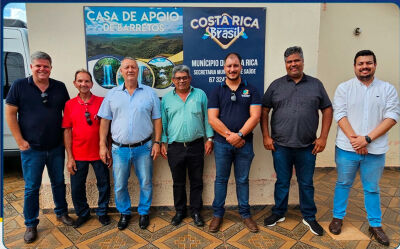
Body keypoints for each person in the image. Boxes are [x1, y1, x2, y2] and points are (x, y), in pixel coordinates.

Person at [329, 50, 399, 246]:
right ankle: (337, 218)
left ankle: (375, 224)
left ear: (375, 65)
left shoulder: (387, 89)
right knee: (343, 184)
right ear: (354, 66)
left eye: (368, 63)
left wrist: (366, 139)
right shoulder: (344, 88)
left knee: (372, 188)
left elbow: (392, 116)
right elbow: (340, 115)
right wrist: (356, 140)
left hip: (375, 150)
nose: (364, 66)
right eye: (360, 63)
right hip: (346, 149)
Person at [261, 46, 333, 236]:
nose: (293, 64)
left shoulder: (316, 84)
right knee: (282, 182)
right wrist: (266, 136)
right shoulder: (276, 85)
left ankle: (309, 216)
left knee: (306, 183)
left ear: (302, 61)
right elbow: (264, 110)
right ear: (285, 64)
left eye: (296, 60)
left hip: (307, 146)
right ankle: (279, 213)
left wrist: (323, 137)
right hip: (280, 146)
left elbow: (327, 109)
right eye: (289, 62)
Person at [5, 51, 73, 244]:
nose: (42, 69)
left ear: (51, 68)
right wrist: (19, 141)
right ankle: (30, 223)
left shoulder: (59, 87)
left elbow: (67, 115)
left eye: (46, 66)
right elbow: (10, 114)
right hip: (31, 149)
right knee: (32, 187)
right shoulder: (19, 86)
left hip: (56, 146)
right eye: (38, 66)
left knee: (58, 182)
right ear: (31, 67)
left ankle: (61, 213)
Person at [97, 57, 162, 230]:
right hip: (119, 149)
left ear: (138, 70)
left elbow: (157, 120)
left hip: (144, 147)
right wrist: (102, 145)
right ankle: (124, 213)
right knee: (119, 185)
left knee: (146, 182)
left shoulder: (150, 93)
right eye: (126, 67)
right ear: (121, 71)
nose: (130, 70)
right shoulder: (112, 95)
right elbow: (104, 121)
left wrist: (157, 142)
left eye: (133, 67)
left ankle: (143, 213)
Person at [207, 52, 261, 233]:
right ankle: (217, 215)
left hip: (244, 145)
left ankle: (245, 215)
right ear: (224, 68)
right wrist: (230, 136)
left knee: (243, 180)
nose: (232, 69)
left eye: (235, 65)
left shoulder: (251, 90)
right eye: (229, 66)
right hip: (222, 145)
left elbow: (255, 116)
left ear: (241, 67)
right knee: (221, 180)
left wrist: (240, 135)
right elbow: (212, 119)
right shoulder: (216, 91)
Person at [160, 65, 214, 227]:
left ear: (190, 79)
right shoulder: (167, 99)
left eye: (184, 77)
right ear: (173, 80)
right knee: (178, 182)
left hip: (196, 145)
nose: (181, 80)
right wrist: (163, 141)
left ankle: (196, 211)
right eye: (178, 78)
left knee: (196, 181)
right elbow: (163, 122)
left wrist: (209, 138)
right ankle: (180, 211)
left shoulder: (200, 95)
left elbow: (207, 118)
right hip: (175, 146)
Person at [62, 69, 111, 228]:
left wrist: (108, 148)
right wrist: (69, 157)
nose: (83, 84)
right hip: (78, 154)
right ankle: (82, 214)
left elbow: (107, 128)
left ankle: (102, 212)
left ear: (91, 83)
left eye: (86, 81)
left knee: (103, 184)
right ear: (75, 83)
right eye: (80, 81)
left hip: (99, 153)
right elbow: (67, 130)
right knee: (76, 187)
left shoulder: (101, 101)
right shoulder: (69, 105)